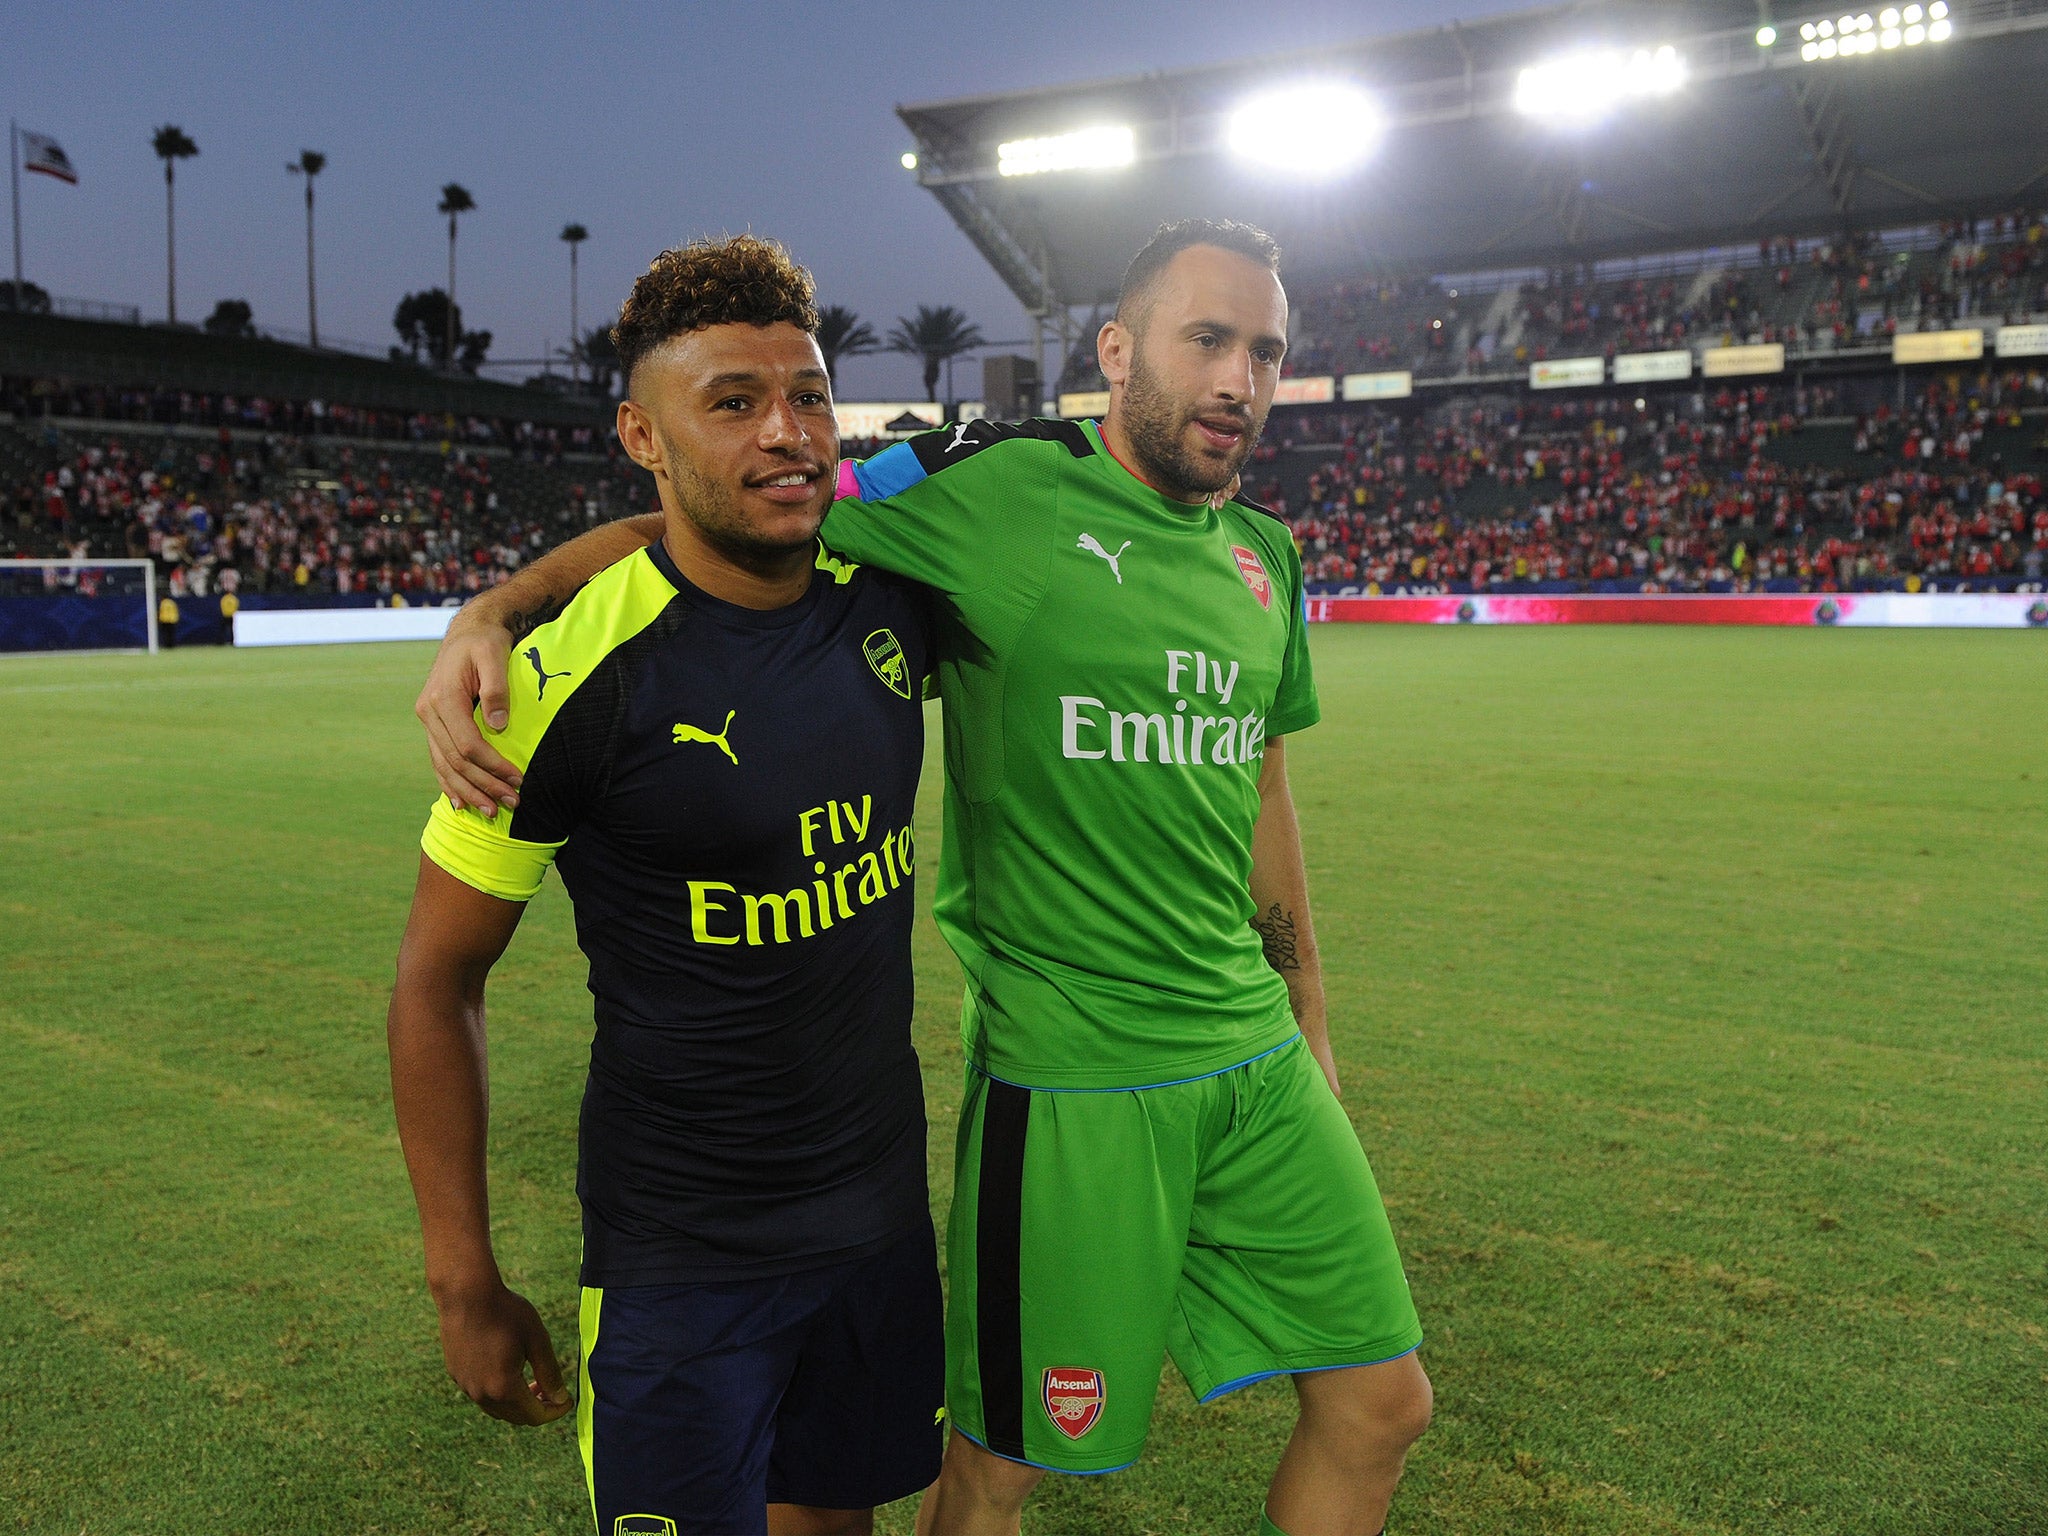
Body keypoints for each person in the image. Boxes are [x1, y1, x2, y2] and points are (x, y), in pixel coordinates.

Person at [419, 219, 1431, 1536]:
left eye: (1268, 352)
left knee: (1383, 1404)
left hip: (1247, 1061)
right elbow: (733, 508)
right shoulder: (985, 489)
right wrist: (495, 609)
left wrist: (1310, 1017)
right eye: (1209, 341)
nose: (1242, 378)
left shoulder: (1267, 561)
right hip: (1070, 1077)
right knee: (997, 1469)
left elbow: (1264, 786)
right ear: (1118, 351)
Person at [387, 235, 944, 1536]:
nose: (791, 433)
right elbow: (436, 976)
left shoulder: (894, 582)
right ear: (643, 432)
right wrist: (460, 1279)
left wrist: (491, 591)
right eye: (734, 402)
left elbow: (833, 483)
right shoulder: (563, 686)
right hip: (683, 1259)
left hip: (875, 1222)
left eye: (808, 394)